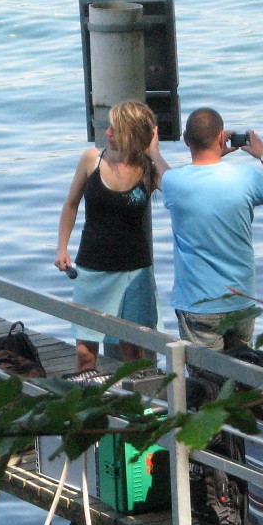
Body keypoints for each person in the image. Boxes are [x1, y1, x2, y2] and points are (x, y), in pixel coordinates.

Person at [160, 107, 263, 351]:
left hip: (198, 304)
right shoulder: (247, 177)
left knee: (208, 381)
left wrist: (152, 151)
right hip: (241, 300)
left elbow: (169, 173)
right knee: (243, 376)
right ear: (222, 136)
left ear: (185, 140)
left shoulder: (174, 181)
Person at [55, 100, 168, 375]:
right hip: (93, 267)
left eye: (115, 130)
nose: (107, 133)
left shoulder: (148, 168)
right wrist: (62, 248)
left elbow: (180, 192)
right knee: (85, 356)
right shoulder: (91, 159)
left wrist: (155, 154)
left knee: (134, 354)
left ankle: (138, 410)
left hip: (135, 271)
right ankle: (88, 408)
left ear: (131, 134)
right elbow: (71, 204)